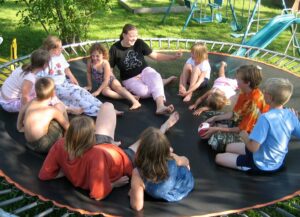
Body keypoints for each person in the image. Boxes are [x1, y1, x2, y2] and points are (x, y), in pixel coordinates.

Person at [39, 102, 180, 200]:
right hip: (122, 158)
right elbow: (97, 194)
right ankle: (163, 128)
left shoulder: (60, 144)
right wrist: (113, 184)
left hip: (103, 147)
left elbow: (44, 174)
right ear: (91, 137)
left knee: (107, 106)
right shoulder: (95, 158)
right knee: (148, 140)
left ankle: (112, 142)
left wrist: (67, 171)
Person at [215, 78, 300, 173]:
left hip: (261, 164)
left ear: (270, 98)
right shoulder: (290, 114)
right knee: (228, 147)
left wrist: (244, 136)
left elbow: (253, 148)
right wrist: (295, 120)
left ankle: (248, 165)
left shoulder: (266, 118)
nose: (263, 94)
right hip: (272, 157)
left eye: (265, 92)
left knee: (218, 157)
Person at [109, 24, 180, 115]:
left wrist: (172, 57)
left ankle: (160, 106)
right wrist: (115, 83)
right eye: (131, 36)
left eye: (136, 36)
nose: (134, 39)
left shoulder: (139, 43)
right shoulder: (115, 49)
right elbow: (110, 68)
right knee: (144, 93)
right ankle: (162, 82)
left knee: (155, 75)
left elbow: (155, 56)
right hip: (129, 78)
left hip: (144, 71)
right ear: (124, 35)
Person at [201, 65, 269, 152]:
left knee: (215, 140)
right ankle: (218, 127)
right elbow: (234, 114)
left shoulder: (255, 102)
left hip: (249, 133)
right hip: (241, 121)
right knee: (209, 115)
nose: (236, 81)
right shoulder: (243, 92)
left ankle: (223, 134)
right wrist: (215, 118)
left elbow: (242, 130)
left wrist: (216, 129)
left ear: (247, 82)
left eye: (238, 79)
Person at [129, 124, 194, 211]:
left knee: (138, 184)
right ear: (166, 150)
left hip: (161, 194)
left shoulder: (138, 173)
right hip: (184, 185)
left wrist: (133, 192)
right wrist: (186, 164)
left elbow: (137, 207)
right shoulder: (172, 158)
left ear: (141, 149)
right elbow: (185, 160)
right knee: (179, 166)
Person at [38, 35, 103, 116]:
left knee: (81, 91)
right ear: (52, 50)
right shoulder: (43, 60)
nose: (62, 49)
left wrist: (73, 78)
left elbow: (66, 69)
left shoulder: (60, 56)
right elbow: (40, 80)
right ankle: (97, 111)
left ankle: (102, 106)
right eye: (60, 48)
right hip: (55, 87)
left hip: (65, 82)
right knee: (74, 95)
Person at [17, 77, 69, 153]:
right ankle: (65, 140)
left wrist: (20, 127)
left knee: (54, 113)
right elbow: (68, 127)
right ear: (53, 93)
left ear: (36, 91)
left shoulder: (32, 101)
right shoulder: (52, 111)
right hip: (44, 146)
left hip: (30, 143)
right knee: (60, 106)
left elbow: (22, 110)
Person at [85, 43, 141, 110]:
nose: (94, 58)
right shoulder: (90, 62)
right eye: (93, 55)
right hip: (102, 83)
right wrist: (89, 85)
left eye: (97, 56)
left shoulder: (105, 63)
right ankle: (130, 96)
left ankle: (135, 102)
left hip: (111, 79)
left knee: (118, 88)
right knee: (105, 92)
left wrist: (98, 91)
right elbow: (88, 73)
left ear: (103, 55)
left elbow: (106, 79)